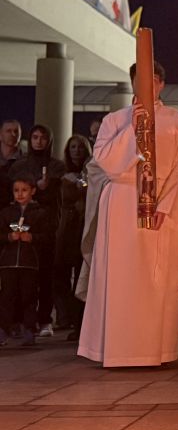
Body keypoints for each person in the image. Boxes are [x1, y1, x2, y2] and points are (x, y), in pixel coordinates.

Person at [78, 60, 178, 367]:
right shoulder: (115, 120)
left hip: (162, 206)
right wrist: (134, 127)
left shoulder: (177, 120)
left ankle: (156, 350)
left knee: (157, 278)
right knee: (120, 277)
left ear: (161, 84)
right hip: (122, 201)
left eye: (152, 80)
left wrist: (165, 206)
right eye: (139, 80)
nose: (146, 86)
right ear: (132, 83)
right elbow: (105, 161)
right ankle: (117, 350)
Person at [10, 124, 65, 337]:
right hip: (23, 222)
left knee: (45, 274)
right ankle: (22, 320)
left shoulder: (56, 167)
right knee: (21, 275)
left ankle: (44, 319)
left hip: (46, 226)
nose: (39, 141)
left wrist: (47, 188)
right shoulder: (20, 166)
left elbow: (58, 199)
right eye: (35, 137)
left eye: (43, 137)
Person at [0, 175, 55, 347]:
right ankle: (3, 330)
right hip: (8, 263)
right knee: (6, 297)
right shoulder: (6, 213)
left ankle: (29, 330)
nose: (20, 194)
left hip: (30, 262)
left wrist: (32, 238)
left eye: (24, 190)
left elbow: (48, 236)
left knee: (29, 297)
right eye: (16, 190)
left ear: (33, 191)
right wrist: (9, 237)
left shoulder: (41, 213)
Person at [54, 134, 92, 340]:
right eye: (73, 147)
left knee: (80, 274)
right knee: (60, 273)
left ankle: (80, 324)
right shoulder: (62, 174)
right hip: (65, 230)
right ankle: (66, 316)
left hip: (82, 227)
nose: (77, 151)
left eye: (80, 147)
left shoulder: (92, 172)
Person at [0, 119, 24, 205]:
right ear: (0, 135)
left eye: (16, 131)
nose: (13, 134)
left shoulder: (25, 161)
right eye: (8, 131)